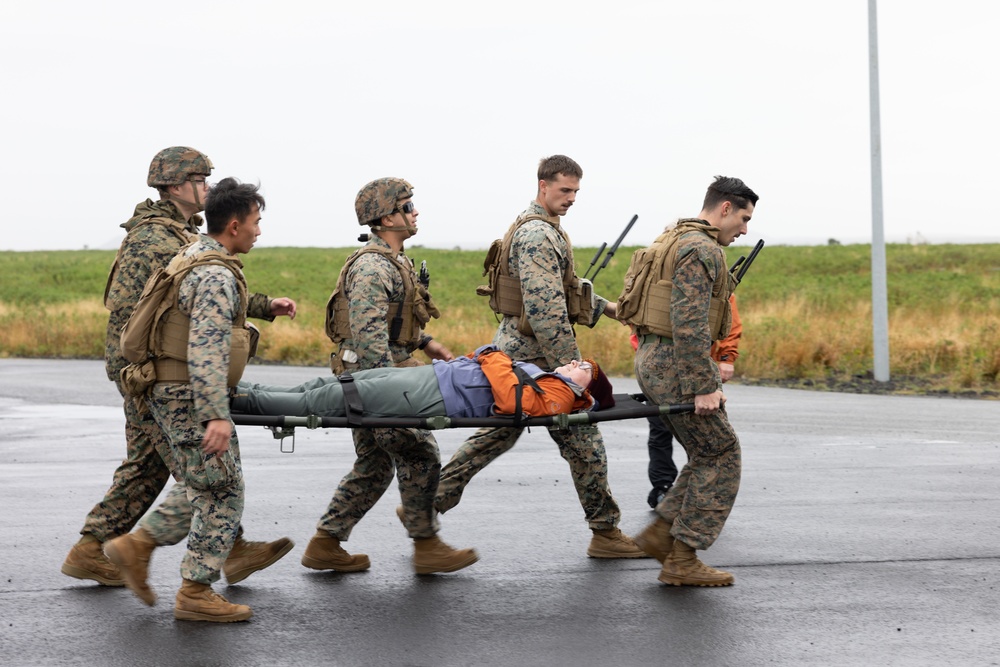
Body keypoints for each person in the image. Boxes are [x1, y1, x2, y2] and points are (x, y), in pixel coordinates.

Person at [62, 147, 295, 590]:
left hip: (158, 370)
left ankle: (93, 549)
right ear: (174, 184)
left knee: (153, 466)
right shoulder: (153, 238)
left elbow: (196, 294)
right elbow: (141, 311)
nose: (207, 186)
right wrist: (147, 374)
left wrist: (263, 305)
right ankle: (216, 553)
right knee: (203, 470)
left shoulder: (179, 233)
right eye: (200, 178)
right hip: (151, 372)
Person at [434, 155, 647, 559]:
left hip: (525, 357)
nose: (570, 199)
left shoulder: (547, 230)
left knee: (497, 433)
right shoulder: (537, 235)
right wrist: (575, 373)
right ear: (543, 185)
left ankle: (427, 504)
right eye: (564, 190)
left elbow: (565, 290)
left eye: (576, 192)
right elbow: (547, 310)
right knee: (584, 440)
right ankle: (605, 533)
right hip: (535, 361)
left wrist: (615, 311)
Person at [103, 177, 280, 622]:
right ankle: (195, 592)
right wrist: (215, 415)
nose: (259, 232)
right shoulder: (216, 274)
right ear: (235, 226)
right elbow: (206, 348)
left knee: (203, 482)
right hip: (188, 394)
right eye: (256, 223)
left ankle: (137, 546)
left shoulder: (192, 254)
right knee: (223, 488)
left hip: (168, 389)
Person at [301, 178, 477, 576]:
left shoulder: (395, 262)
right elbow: (368, 339)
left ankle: (325, 542)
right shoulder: (372, 268)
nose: (415, 212)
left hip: (375, 373)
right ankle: (427, 545)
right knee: (420, 452)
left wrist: (426, 342)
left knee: (375, 463)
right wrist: (389, 392)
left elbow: (393, 321)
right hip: (372, 376)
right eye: (408, 205)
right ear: (386, 217)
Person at [628, 175, 759, 586]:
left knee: (705, 452)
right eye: (743, 217)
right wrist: (704, 384)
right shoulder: (702, 249)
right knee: (723, 453)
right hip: (677, 364)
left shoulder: (671, 237)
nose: (745, 228)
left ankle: (661, 533)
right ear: (724, 208)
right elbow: (689, 323)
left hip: (651, 357)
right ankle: (682, 559)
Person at [231, 345, 616, 419]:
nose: (573, 362)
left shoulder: (561, 397)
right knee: (323, 385)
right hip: (427, 379)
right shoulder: (550, 380)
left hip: (431, 395)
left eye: (583, 366)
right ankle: (236, 392)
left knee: (327, 400)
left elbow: (514, 403)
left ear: (587, 389)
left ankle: (231, 402)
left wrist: (494, 356)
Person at [636, 294, 742, 508]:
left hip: (702, 372)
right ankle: (663, 488)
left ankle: (700, 493)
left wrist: (726, 358)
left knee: (705, 436)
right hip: (662, 371)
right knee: (660, 431)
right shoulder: (657, 283)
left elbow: (730, 323)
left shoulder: (715, 284)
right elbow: (638, 326)